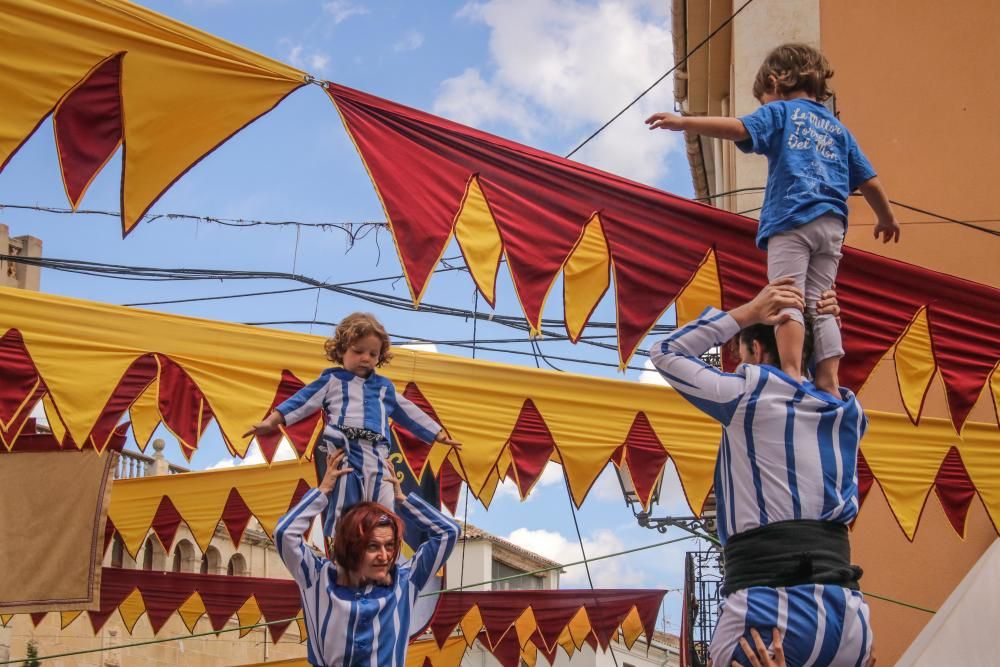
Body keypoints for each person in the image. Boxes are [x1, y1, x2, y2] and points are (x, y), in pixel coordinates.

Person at [645, 43, 900, 397]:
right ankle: (828, 379)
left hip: (791, 217)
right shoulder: (838, 131)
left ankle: (792, 373)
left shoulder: (781, 112)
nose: (763, 107)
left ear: (774, 82)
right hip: (832, 226)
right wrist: (886, 218)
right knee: (822, 301)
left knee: (787, 295)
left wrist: (684, 122)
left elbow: (738, 128)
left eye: (762, 99)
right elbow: (869, 180)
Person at [649, 279, 873, 667]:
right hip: (848, 623)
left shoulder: (749, 394)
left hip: (769, 614)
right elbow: (827, 373)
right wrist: (824, 318)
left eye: (739, 355)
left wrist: (746, 313)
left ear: (753, 349)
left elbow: (665, 351)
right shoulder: (846, 413)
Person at [245, 312, 460, 539]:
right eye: (358, 351)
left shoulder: (384, 387)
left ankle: (383, 548)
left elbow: (409, 411)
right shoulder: (331, 381)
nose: (365, 358)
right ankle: (341, 546)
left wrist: (438, 434)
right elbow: (302, 401)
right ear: (341, 350)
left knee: (384, 506)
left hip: (377, 455)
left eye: (372, 354)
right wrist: (271, 421)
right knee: (345, 503)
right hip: (346, 451)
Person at [275, 448, 460, 667]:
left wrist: (403, 500)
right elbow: (284, 533)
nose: (385, 556)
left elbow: (449, 532)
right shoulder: (316, 577)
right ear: (352, 546)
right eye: (373, 546)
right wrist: (323, 492)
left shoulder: (405, 582)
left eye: (390, 546)